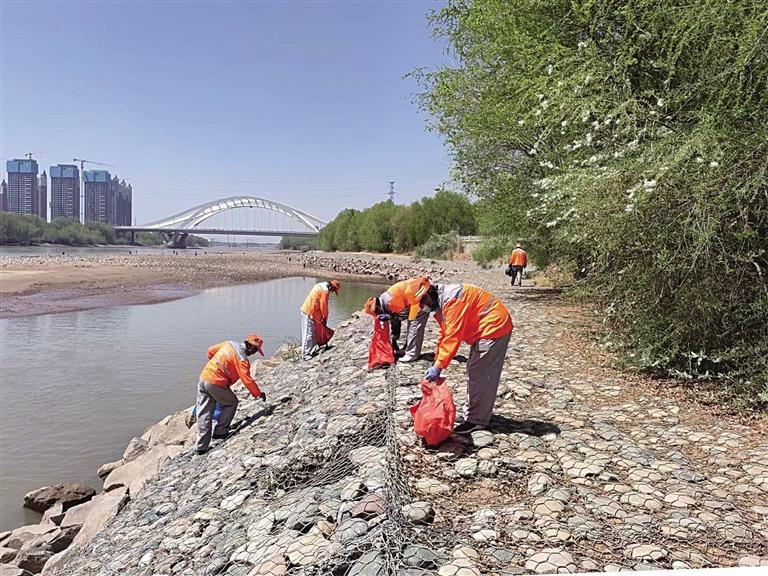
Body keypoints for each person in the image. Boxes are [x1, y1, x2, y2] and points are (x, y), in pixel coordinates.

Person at [417, 283, 513, 434]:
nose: (422, 307)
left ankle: (477, 420)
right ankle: (473, 413)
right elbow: (444, 335)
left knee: (480, 374)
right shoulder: (442, 301)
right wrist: (436, 361)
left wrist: (439, 367)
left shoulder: (452, 301)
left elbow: (452, 337)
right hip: (486, 326)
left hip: (493, 327)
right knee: (475, 370)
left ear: (429, 295)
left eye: (423, 302)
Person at [195, 333, 266, 455]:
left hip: (204, 377)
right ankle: (220, 432)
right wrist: (258, 394)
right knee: (231, 403)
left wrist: (215, 366)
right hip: (216, 383)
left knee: (204, 413)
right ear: (250, 347)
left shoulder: (229, 344)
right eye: (255, 350)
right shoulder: (242, 359)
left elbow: (210, 351)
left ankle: (201, 448)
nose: (254, 353)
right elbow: (247, 380)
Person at [364, 276, 432, 362]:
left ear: (377, 308)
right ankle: (408, 348)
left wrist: (389, 317)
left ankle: (412, 354)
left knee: (414, 325)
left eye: (377, 313)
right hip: (418, 293)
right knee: (412, 324)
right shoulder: (384, 299)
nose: (378, 315)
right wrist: (394, 340)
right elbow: (396, 319)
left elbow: (404, 315)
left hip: (422, 295)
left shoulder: (389, 301)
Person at [300, 279, 341, 359]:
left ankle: (312, 351)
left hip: (313, 313)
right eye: (333, 290)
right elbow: (324, 306)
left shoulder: (321, 285)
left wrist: (321, 318)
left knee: (313, 333)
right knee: (308, 334)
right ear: (331, 287)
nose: (332, 292)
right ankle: (305, 355)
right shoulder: (325, 291)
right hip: (308, 312)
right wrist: (325, 318)